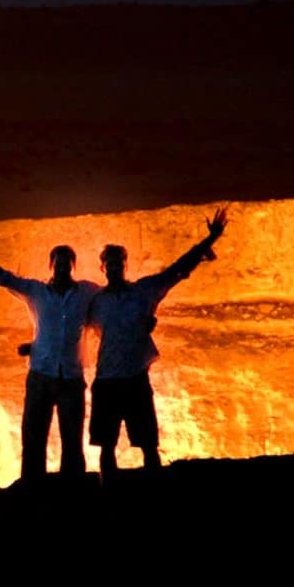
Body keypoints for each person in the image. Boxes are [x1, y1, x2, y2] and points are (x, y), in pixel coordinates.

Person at [0, 229, 100, 484]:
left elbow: (114, 301)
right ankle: (32, 489)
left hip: (71, 377)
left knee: (72, 439)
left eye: (66, 264)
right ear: (51, 266)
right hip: (41, 376)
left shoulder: (86, 292)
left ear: (72, 266)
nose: (61, 268)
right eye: (57, 264)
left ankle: (72, 491)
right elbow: (2, 276)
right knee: (34, 437)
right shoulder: (35, 292)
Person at [89, 207, 228, 483]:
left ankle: (155, 498)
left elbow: (177, 269)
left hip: (135, 378)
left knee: (149, 444)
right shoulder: (95, 302)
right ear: (104, 268)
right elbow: (65, 322)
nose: (115, 268)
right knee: (106, 446)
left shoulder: (143, 292)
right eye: (110, 264)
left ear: (124, 265)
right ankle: (108, 502)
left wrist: (209, 241)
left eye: (119, 263)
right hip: (106, 380)